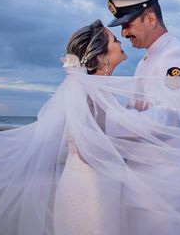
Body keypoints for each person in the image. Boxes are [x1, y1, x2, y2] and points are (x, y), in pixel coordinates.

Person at [106, 0, 180, 235]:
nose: (123, 34)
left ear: (150, 19)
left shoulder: (175, 59)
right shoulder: (148, 59)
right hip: (141, 180)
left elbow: (170, 115)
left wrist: (112, 122)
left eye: (127, 25)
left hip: (162, 185)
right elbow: (138, 108)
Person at [52, 20, 127, 235]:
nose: (120, 40)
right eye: (114, 39)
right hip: (92, 189)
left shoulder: (94, 90)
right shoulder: (94, 95)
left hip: (85, 182)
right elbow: (89, 150)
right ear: (101, 57)